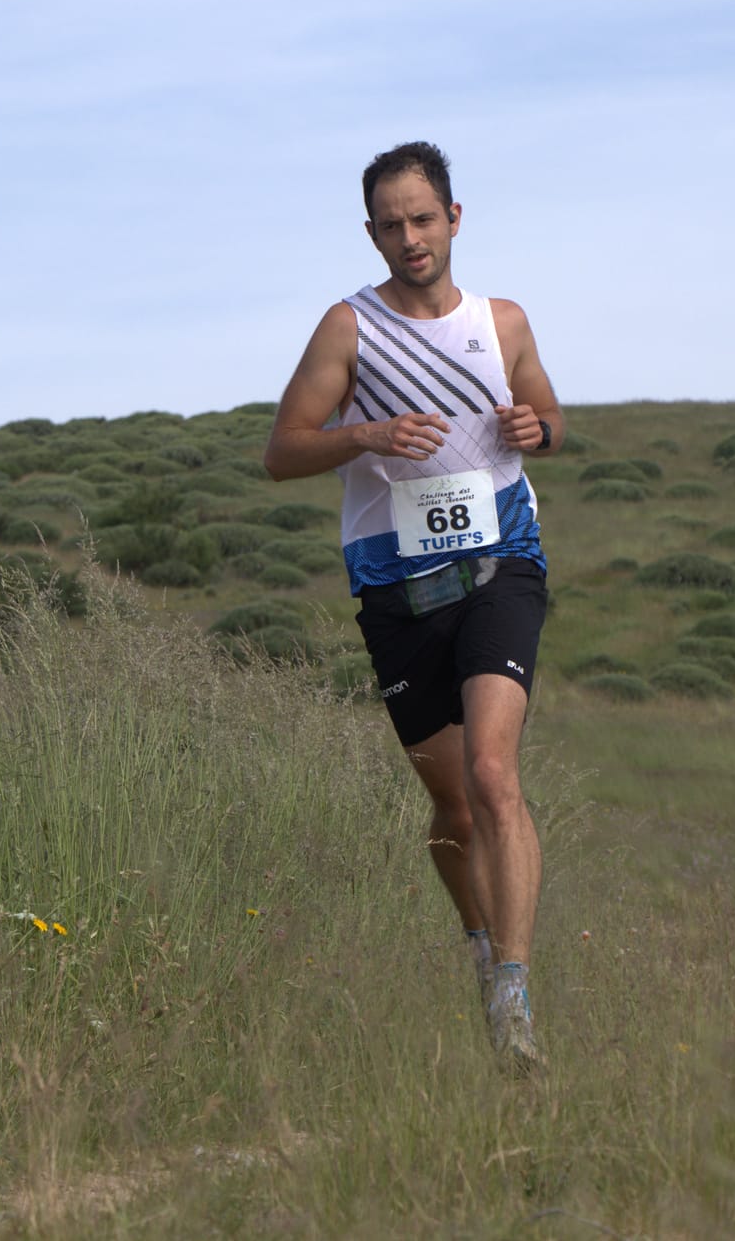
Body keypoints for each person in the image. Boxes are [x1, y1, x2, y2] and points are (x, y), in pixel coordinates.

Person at [263, 142, 563, 1074]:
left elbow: (550, 417)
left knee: (491, 770)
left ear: (455, 218)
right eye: (391, 224)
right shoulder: (348, 328)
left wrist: (534, 427)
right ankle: (479, 942)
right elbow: (283, 450)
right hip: (396, 586)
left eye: (423, 218)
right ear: (371, 232)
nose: (410, 237)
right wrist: (368, 434)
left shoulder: (500, 320)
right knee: (453, 808)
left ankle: (513, 997)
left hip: (501, 563)